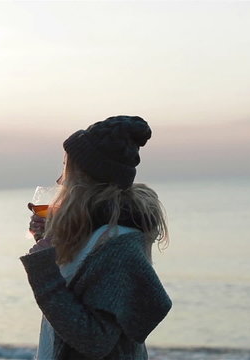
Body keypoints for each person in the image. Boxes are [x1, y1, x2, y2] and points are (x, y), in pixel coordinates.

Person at [21, 116, 172, 359]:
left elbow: (95, 341)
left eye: (66, 169)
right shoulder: (95, 232)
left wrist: (43, 273)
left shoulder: (117, 245)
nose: (60, 180)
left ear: (85, 178)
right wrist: (52, 238)